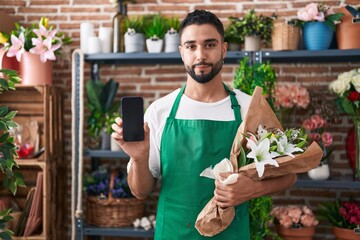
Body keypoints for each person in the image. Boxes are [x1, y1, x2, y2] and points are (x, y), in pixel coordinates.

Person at [111, 9, 297, 239]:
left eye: (210, 44)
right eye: (191, 46)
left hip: (231, 233)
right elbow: (140, 192)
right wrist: (139, 158)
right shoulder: (160, 111)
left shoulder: (250, 107)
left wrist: (253, 190)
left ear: (224, 49)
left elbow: (289, 175)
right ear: (181, 52)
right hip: (174, 233)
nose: (201, 55)